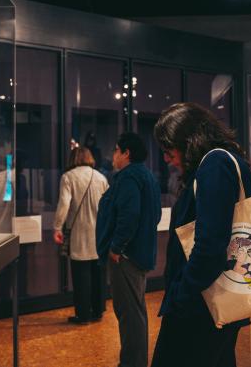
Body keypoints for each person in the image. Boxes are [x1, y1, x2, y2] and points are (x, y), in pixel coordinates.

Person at [151, 102, 251, 367]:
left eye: (168, 148)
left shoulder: (215, 164)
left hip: (202, 305)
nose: (166, 157)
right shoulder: (221, 161)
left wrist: (181, 294)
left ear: (189, 140)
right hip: (212, 299)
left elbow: (210, 246)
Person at [96, 132, 161, 367]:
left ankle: (132, 363)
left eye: (116, 150)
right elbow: (155, 215)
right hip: (139, 254)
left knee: (129, 314)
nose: (112, 155)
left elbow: (129, 215)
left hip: (126, 257)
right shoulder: (147, 176)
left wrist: (116, 247)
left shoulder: (129, 177)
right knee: (135, 311)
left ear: (126, 153)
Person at [53, 146, 109, 324]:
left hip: (79, 233)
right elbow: (108, 205)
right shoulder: (101, 177)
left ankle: (83, 314)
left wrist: (57, 227)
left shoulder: (68, 177)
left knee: (81, 275)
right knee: (98, 273)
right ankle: (98, 310)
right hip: (99, 233)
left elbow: (64, 203)